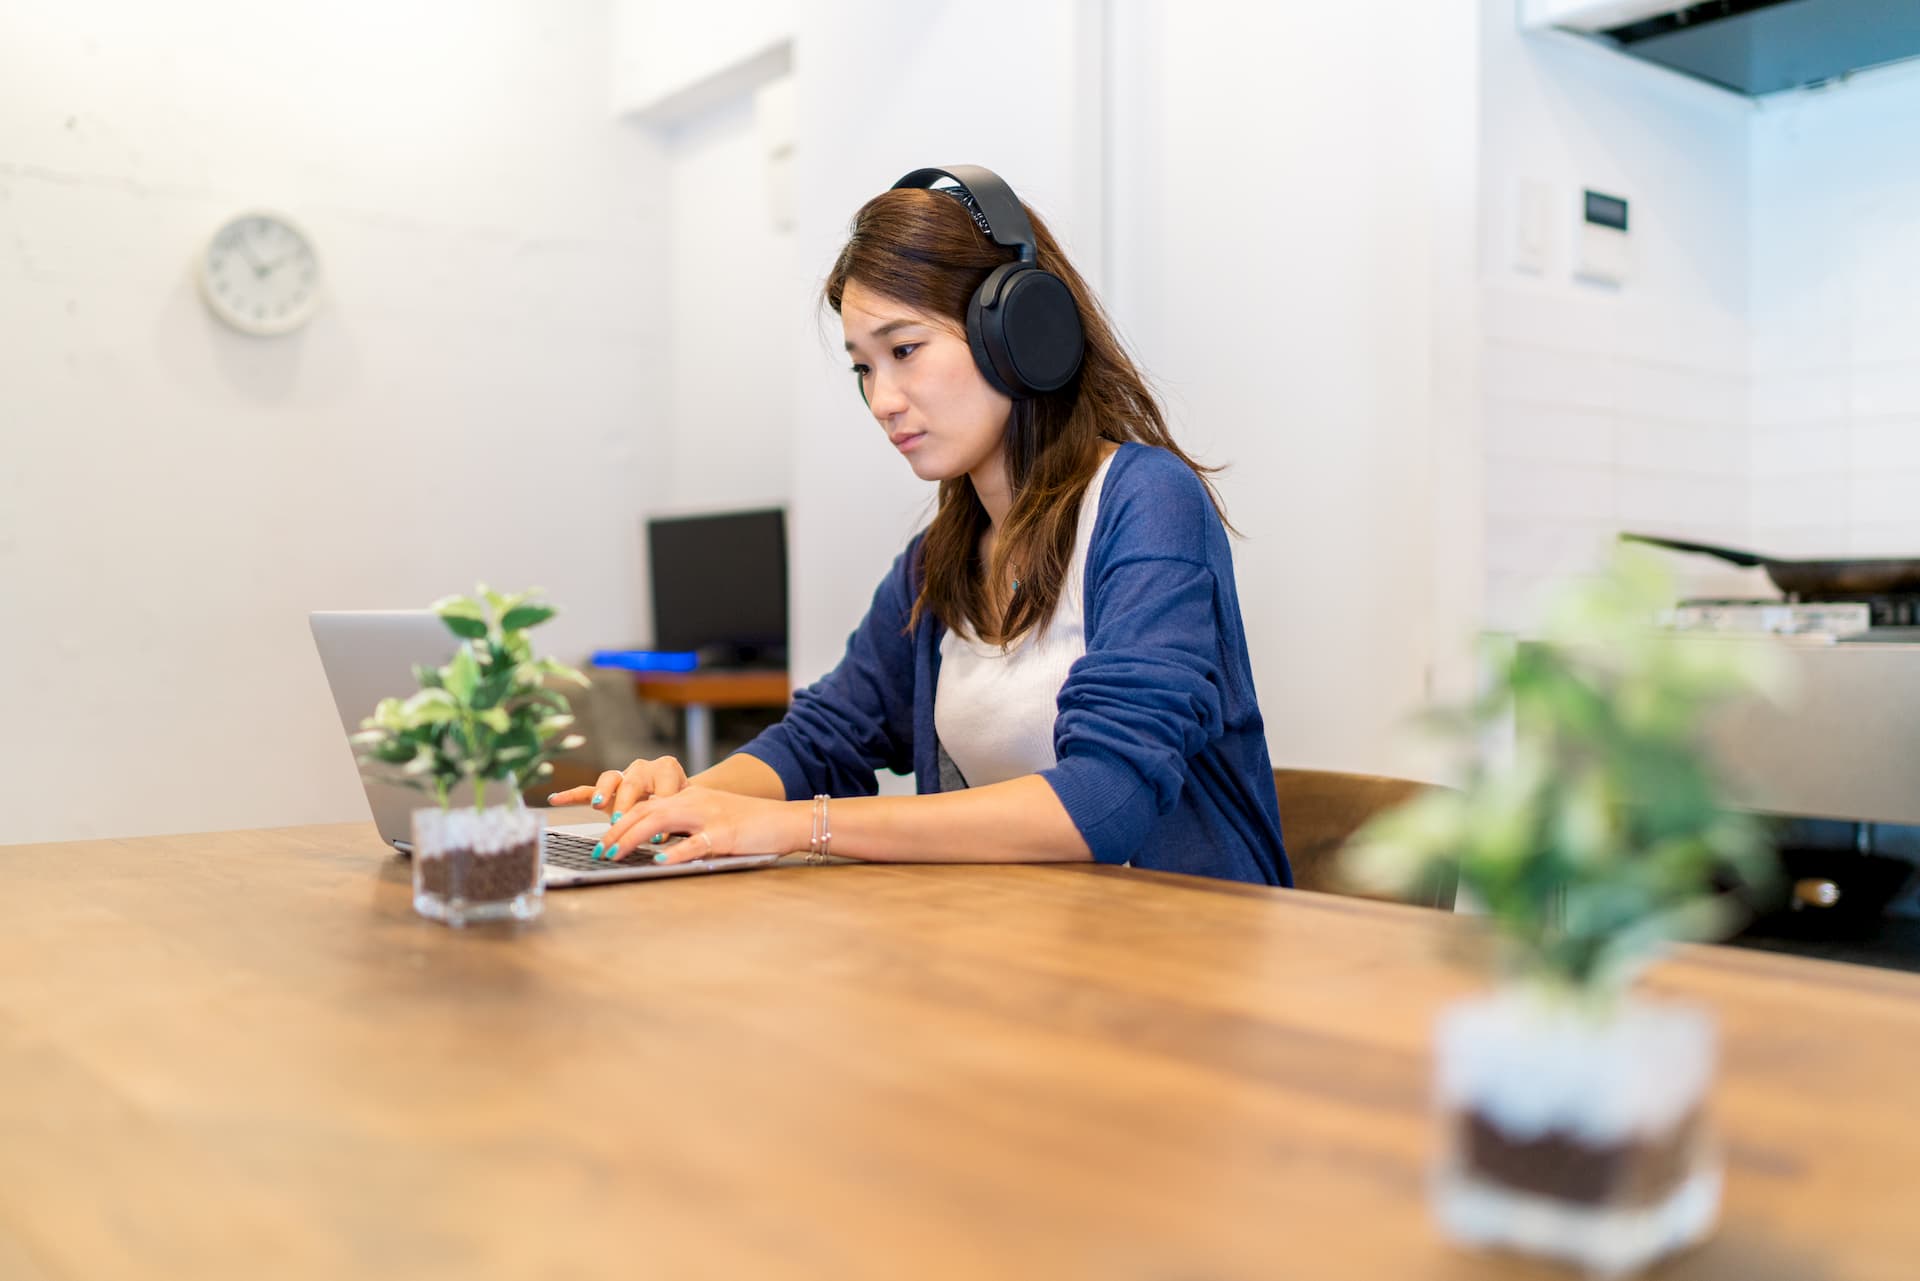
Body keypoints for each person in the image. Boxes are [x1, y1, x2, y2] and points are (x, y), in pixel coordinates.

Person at [548, 165, 1289, 886]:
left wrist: (803, 825)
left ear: (1020, 334)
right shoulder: (938, 562)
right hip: (1020, 952)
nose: (883, 400)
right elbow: (823, 736)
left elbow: (1105, 800)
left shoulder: (1147, 502)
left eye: (904, 351)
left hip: (1182, 962)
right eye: (864, 368)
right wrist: (688, 799)